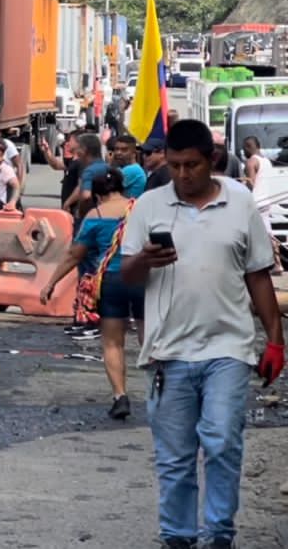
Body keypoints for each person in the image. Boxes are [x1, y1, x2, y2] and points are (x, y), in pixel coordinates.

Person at [118, 119, 284, 549]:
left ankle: (219, 535)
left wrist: (275, 339)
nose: (182, 175)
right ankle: (177, 537)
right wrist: (145, 261)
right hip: (168, 352)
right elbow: (127, 276)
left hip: (228, 347)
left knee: (222, 441)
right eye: (173, 166)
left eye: (190, 165)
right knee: (175, 458)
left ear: (210, 161)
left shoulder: (240, 201)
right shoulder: (150, 206)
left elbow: (259, 276)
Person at [41, 166, 139, 419]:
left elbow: (74, 256)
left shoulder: (94, 216)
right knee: (150, 339)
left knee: (112, 343)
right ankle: (163, 386)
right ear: (123, 189)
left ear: (96, 195)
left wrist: (50, 283)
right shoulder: (140, 209)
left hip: (112, 280)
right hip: (142, 278)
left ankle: (120, 396)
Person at [65, 134, 109, 222]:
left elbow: (86, 196)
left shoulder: (89, 171)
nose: (76, 152)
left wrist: (80, 212)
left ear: (84, 150)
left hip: (90, 218)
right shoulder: (107, 167)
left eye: (78, 149)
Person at [44, 135, 83, 207]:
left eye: (70, 141)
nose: (67, 144)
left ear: (78, 144)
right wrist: (47, 150)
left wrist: (68, 203)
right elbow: (56, 165)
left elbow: (81, 187)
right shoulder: (72, 161)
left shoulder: (82, 163)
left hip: (76, 209)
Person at [112, 133, 149, 198]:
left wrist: (109, 164)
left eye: (124, 150)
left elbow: (105, 189)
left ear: (133, 153)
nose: (118, 153)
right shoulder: (123, 168)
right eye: (116, 149)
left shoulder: (132, 170)